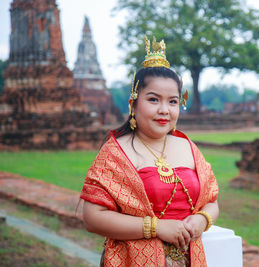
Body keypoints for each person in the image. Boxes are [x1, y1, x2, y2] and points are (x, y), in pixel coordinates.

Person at [80, 36, 219, 267]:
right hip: (133, 260)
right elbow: (92, 218)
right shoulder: (116, 152)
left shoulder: (188, 147)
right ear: (133, 104)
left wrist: (201, 220)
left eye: (173, 102)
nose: (164, 110)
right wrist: (156, 227)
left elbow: (212, 202)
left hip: (190, 259)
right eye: (153, 99)